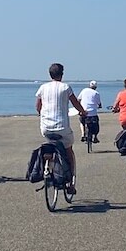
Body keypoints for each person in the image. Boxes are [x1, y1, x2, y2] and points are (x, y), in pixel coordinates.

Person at [35, 63, 87, 194]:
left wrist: (42, 114)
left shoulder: (42, 88)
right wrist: (82, 112)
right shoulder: (65, 87)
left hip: (46, 127)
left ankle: (48, 165)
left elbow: (38, 106)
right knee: (68, 150)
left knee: (49, 144)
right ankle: (71, 183)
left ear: (50, 74)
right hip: (62, 127)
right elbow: (75, 103)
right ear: (62, 74)